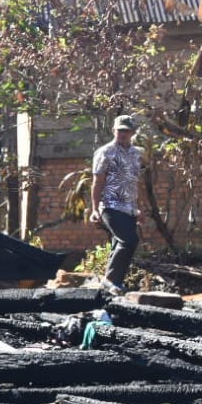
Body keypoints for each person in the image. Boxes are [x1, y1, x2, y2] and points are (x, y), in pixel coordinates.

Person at [88, 114, 144, 294]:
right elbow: (97, 182)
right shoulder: (105, 152)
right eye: (119, 130)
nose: (122, 134)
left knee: (118, 244)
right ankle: (110, 280)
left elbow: (134, 182)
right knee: (129, 240)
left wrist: (138, 208)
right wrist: (95, 209)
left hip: (129, 207)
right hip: (110, 204)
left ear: (133, 132)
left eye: (126, 131)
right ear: (114, 131)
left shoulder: (137, 154)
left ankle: (113, 286)